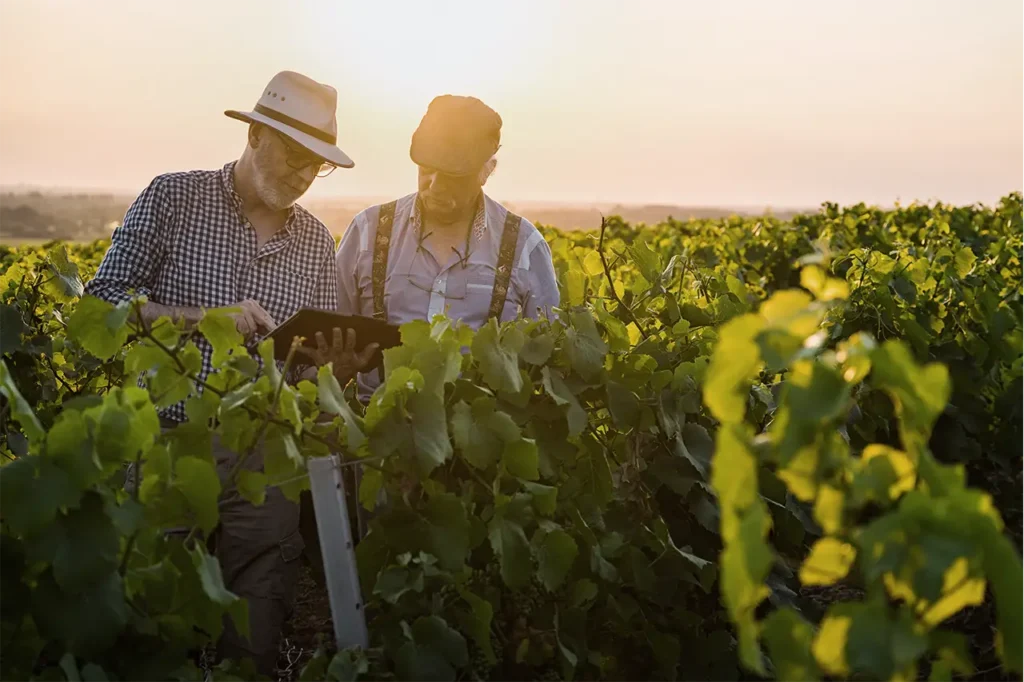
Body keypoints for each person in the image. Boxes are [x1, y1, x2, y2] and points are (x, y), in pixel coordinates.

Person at [83, 70, 364, 676]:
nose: (301, 176)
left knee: (255, 637)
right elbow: (99, 306)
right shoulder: (174, 197)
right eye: (294, 155)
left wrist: (331, 366)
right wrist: (205, 319)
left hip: (265, 460)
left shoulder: (317, 242)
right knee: (155, 627)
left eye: (316, 166)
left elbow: (305, 370)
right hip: (166, 445)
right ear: (257, 133)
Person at [309, 94, 560, 402]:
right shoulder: (367, 232)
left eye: (454, 175)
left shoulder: (525, 246)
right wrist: (339, 369)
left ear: (487, 170)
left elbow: (548, 361)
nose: (435, 185)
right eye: (427, 169)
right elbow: (327, 347)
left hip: (481, 438)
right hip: (374, 436)